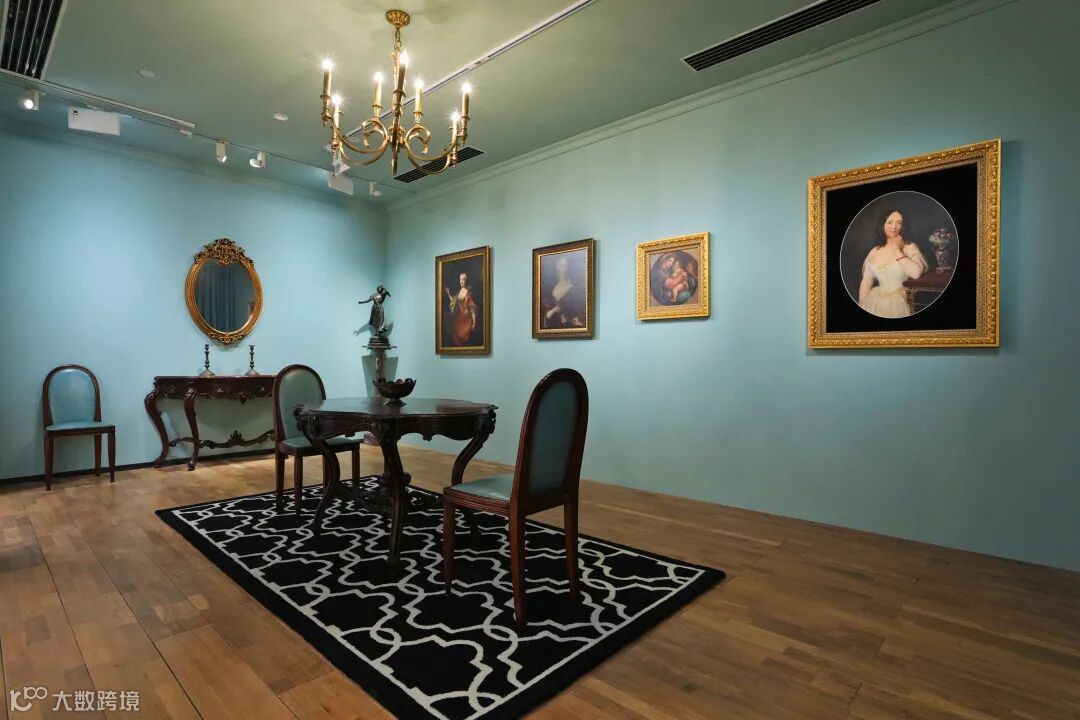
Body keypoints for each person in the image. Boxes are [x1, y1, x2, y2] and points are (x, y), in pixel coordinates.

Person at [858, 210, 929, 318]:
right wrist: (862, 304)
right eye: (889, 222)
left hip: (900, 301)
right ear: (882, 224)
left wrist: (897, 250)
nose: (894, 227)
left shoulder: (910, 247)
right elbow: (867, 281)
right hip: (875, 301)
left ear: (903, 226)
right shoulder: (875, 251)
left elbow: (916, 274)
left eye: (899, 223)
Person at [543, 255, 585, 328]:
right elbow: (545, 313)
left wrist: (575, 320)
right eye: (559, 265)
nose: (559, 269)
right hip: (552, 325)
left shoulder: (574, 287)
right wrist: (553, 311)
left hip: (567, 325)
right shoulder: (549, 286)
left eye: (563, 266)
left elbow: (576, 313)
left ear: (567, 268)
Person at [444, 272, 477, 345]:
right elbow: (453, 302)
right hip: (457, 319)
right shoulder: (459, 291)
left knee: (463, 338)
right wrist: (448, 293)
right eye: (460, 279)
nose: (461, 281)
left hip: (465, 319)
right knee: (456, 338)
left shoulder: (468, 293)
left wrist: (474, 323)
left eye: (463, 279)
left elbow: (472, 309)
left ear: (466, 280)